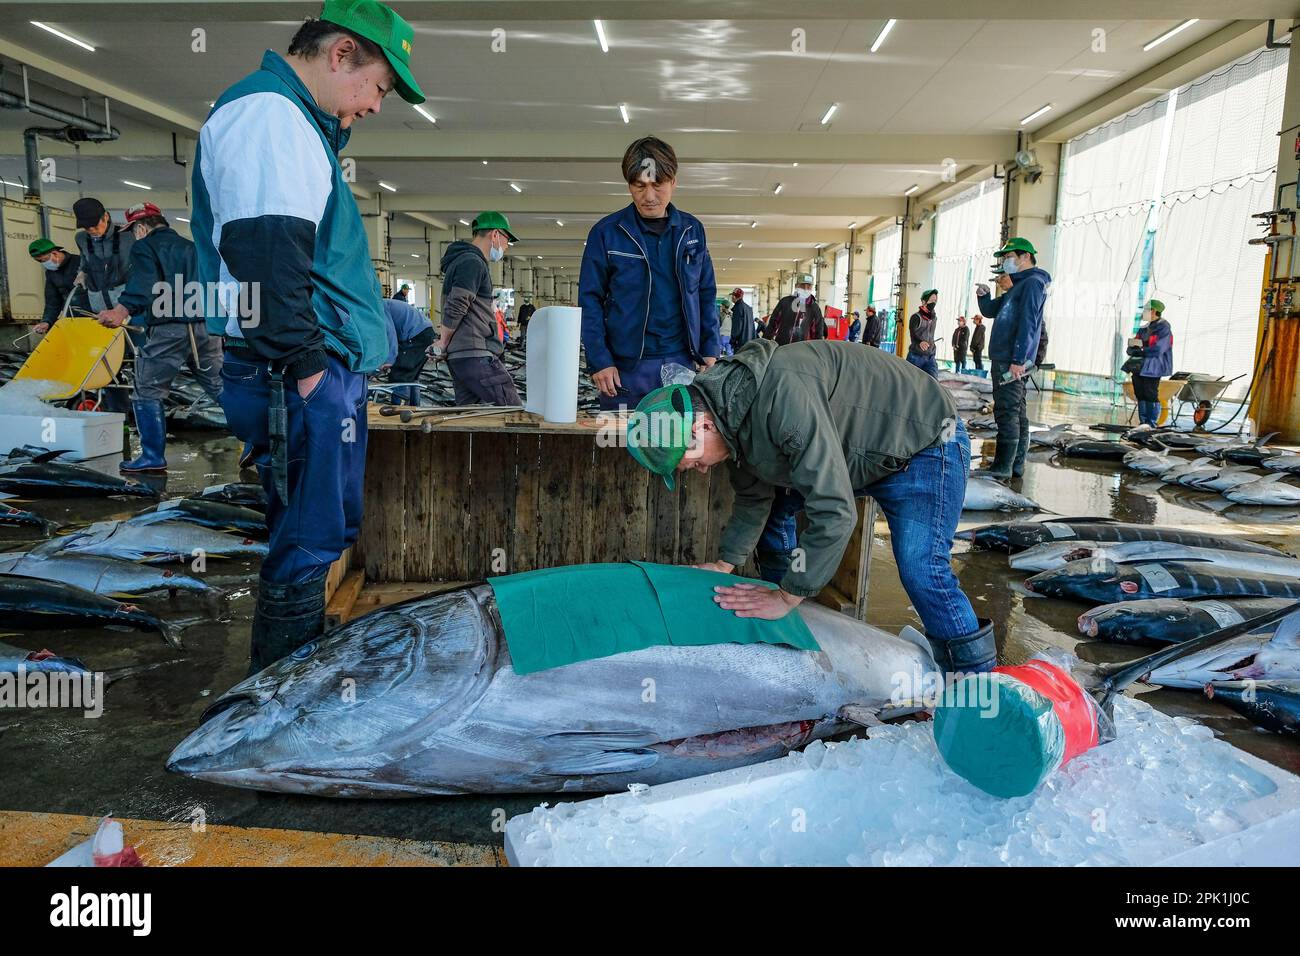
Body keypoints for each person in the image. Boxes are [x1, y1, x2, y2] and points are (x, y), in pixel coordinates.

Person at [191, 0, 424, 673]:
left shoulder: (296, 122)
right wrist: (310, 372)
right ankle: (278, 708)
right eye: (377, 86)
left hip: (310, 372)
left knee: (317, 532)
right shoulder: (269, 116)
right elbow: (267, 260)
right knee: (309, 536)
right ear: (340, 53)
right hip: (293, 374)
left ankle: (294, 688)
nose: (375, 105)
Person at [624, 338, 995, 676]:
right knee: (775, 515)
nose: (701, 471)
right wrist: (725, 563)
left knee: (921, 568)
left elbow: (835, 512)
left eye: (691, 463)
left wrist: (787, 594)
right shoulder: (732, 415)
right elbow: (755, 499)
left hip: (926, 443)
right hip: (861, 452)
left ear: (700, 427)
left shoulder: (783, 400)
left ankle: (978, 687)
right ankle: (789, 626)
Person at [579, 135, 719, 410]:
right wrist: (600, 359)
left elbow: (705, 293)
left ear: (673, 182)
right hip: (623, 370)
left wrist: (710, 350)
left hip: (681, 363)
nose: (650, 196)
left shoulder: (692, 231)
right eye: (639, 186)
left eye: (658, 185)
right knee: (619, 445)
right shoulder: (607, 234)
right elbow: (589, 300)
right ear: (629, 185)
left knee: (678, 448)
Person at [94, 202, 224, 473]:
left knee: (147, 391)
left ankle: (152, 457)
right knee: (221, 388)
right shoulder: (192, 247)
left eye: (133, 231)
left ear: (141, 228)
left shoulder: (145, 247)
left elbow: (144, 283)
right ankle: (258, 443)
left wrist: (121, 310)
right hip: (205, 327)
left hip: (170, 330)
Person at [974, 237, 1050, 479]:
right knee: (1017, 411)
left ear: (1025, 256)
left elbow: (1029, 324)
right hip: (1010, 357)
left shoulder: (1032, 284)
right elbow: (991, 311)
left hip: (1012, 359)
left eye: (1009, 257)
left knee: (1007, 411)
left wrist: (1019, 360)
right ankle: (1015, 465)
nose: (1006, 262)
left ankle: (1003, 466)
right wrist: (984, 296)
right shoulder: (1018, 286)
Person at [437, 211, 522, 406]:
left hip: (462, 357)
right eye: (507, 239)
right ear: (494, 235)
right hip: (476, 354)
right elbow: (458, 303)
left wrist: (445, 343)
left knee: (469, 417)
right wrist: (443, 341)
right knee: (512, 410)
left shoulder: (460, 262)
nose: (506, 247)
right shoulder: (472, 262)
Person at [73, 197, 135, 315]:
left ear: (105, 216)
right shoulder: (81, 239)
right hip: (98, 307)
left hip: (126, 307)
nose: (92, 231)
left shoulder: (129, 236)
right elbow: (84, 261)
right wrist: (81, 273)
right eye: (87, 228)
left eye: (95, 226)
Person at [28, 238, 89, 333]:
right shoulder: (51, 273)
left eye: (43, 260)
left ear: (55, 253)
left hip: (94, 317)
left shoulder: (81, 263)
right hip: (72, 319)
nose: (43, 264)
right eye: (39, 262)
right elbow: (52, 301)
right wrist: (47, 321)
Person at [382, 298, 434, 405]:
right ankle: (414, 411)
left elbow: (390, 334)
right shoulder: (381, 304)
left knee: (399, 375)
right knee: (411, 377)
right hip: (424, 334)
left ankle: (398, 413)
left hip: (417, 335)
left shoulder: (379, 307)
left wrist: (389, 360)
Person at [1129, 300, 1172, 428]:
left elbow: (1159, 349)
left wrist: (1141, 350)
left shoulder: (1164, 328)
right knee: (1140, 393)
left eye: (1146, 310)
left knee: (1150, 393)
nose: (1143, 313)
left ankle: (1151, 424)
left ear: (1153, 311)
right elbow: (1131, 347)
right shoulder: (1143, 329)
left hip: (1153, 367)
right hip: (1139, 366)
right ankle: (1143, 423)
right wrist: (1134, 348)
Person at [762, 274, 826, 345]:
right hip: (782, 346)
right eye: (802, 285)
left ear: (812, 288)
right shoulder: (785, 302)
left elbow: (818, 332)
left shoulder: (814, 308)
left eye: (808, 286)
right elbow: (773, 324)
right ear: (796, 286)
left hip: (804, 349)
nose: (805, 289)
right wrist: (765, 342)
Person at [906, 289, 940, 378]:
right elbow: (912, 334)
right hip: (916, 356)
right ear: (924, 302)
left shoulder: (934, 318)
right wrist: (919, 342)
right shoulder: (916, 317)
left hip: (930, 356)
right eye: (931, 301)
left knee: (933, 381)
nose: (934, 303)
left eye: (935, 301)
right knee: (912, 382)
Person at [729, 287, 756, 352]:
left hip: (740, 343)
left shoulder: (738, 308)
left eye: (732, 295)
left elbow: (737, 327)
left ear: (734, 297)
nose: (731, 297)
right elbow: (752, 326)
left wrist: (732, 341)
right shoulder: (749, 308)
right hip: (749, 342)